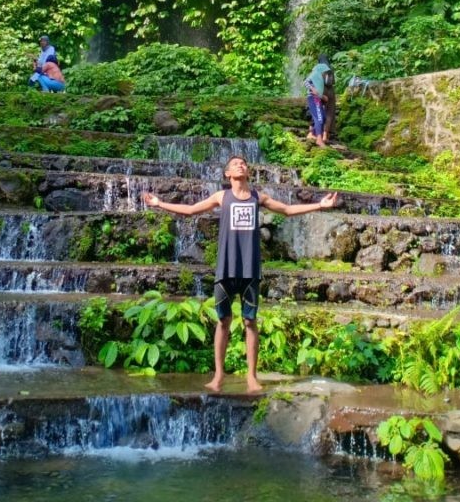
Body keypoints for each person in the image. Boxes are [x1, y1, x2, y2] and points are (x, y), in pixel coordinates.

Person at [143, 155, 337, 394]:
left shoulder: (258, 197)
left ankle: (252, 377)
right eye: (235, 164)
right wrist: (159, 203)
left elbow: (286, 210)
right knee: (223, 321)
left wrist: (320, 205)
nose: (241, 165)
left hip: (249, 268)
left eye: (243, 163)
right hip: (226, 268)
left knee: (250, 321)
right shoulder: (221, 196)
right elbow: (191, 210)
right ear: (227, 174)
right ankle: (218, 375)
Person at [304, 55, 332, 148]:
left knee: (323, 118)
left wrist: (322, 96)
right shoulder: (315, 74)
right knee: (319, 118)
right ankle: (319, 140)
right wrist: (313, 89)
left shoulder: (319, 78)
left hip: (317, 98)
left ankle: (311, 134)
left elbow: (319, 91)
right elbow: (305, 82)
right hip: (313, 98)